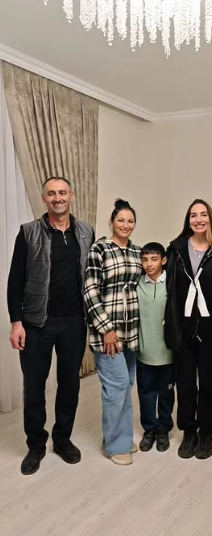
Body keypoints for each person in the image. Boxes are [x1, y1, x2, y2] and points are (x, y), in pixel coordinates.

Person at [7, 176, 94, 475]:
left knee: (70, 385)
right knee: (34, 388)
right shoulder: (28, 232)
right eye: (52, 193)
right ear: (44, 198)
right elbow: (15, 279)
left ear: (72, 195)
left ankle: (62, 439)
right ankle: (36, 445)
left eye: (63, 193)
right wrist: (16, 322)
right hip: (36, 324)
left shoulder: (86, 231)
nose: (58, 198)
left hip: (74, 322)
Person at [165, 199, 212, 460]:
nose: (198, 219)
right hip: (184, 328)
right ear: (188, 220)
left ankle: (206, 432)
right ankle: (189, 431)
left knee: (209, 384)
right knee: (186, 383)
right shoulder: (176, 249)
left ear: (210, 218)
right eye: (193, 215)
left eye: (203, 214)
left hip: (211, 330)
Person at [84, 199, 142, 466]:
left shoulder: (137, 251)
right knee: (116, 387)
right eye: (121, 220)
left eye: (130, 221)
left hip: (131, 332)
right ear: (111, 222)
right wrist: (106, 329)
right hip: (107, 333)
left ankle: (120, 435)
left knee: (126, 385)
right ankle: (115, 444)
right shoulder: (100, 249)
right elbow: (90, 291)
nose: (126, 225)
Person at [136, 242, 175, 453]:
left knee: (166, 393)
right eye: (144, 260)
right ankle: (149, 429)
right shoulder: (137, 284)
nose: (149, 264)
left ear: (163, 260)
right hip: (144, 353)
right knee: (146, 393)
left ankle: (163, 430)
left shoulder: (172, 284)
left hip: (167, 354)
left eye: (154, 259)